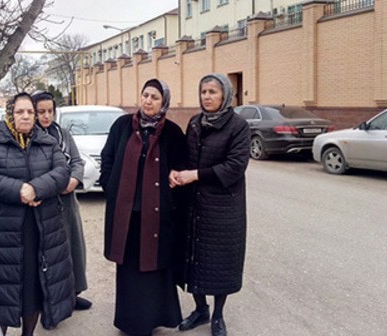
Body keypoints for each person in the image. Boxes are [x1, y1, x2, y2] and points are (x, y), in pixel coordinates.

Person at [0, 92, 74, 336]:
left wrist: (36, 188)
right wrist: (19, 190)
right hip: (3, 233)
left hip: (41, 230)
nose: (26, 116)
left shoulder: (47, 143)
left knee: (33, 290)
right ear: (10, 114)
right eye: (20, 112)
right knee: (0, 292)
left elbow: (62, 172)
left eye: (30, 111)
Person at [99, 78, 187, 336]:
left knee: (154, 268)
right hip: (126, 215)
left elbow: (180, 167)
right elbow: (108, 157)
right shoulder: (123, 125)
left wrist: (174, 180)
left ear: (164, 102)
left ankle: (153, 320)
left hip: (157, 216)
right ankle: (129, 322)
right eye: (145, 95)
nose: (148, 101)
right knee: (128, 268)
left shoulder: (171, 132)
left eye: (155, 97)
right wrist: (110, 186)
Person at [170, 74, 250, 336]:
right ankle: (200, 309)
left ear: (225, 95)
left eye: (213, 92)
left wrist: (196, 175)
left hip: (224, 208)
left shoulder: (237, 126)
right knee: (193, 258)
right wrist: (176, 171)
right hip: (194, 205)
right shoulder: (195, 122)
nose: (207, 96)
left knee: (220, 262)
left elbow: (236, 166)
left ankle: (217, 315)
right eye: (203, 91)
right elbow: (185, 156)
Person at [32, 91, 92, 310]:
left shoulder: (63, 134)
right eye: (41, 112)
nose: (46, 116)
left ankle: (73, 293)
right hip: (44, 201)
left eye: (50, 111)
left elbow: (76, 161)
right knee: (47, 252)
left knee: (72, 247)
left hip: (67, 202)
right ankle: (48, 299)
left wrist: (74, 179)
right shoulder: (30, 138)